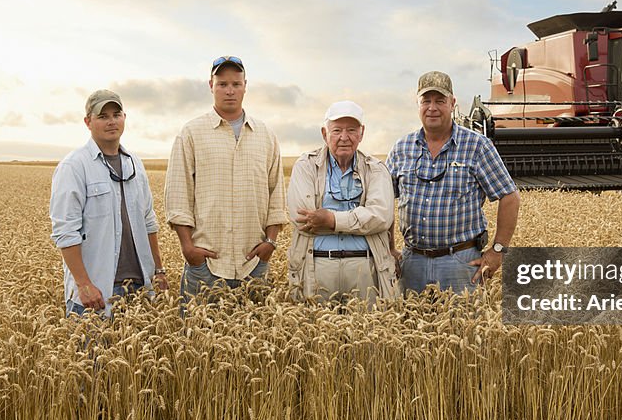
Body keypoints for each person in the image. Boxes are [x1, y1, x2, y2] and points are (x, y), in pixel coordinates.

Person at [165, 56, 287, 300]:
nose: (229, 91)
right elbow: (178, 195)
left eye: (236, 84)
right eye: (222, 84)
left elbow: (277, 195)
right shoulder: (191, 133)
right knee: (197, 336)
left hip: (253, 263)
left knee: (256, 335)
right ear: (211, 86)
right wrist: (189, 250)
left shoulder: (266, 135)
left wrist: (270, 244)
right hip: (206, 264)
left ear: (245, 86)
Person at [387, 71, 520, 293]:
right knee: (408, 325)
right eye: (426, 101)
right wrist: (389, 249)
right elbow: (384, 202)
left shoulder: (477, 146)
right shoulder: (402, 148)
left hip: (461, 261)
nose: (432, 107)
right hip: (412, 262)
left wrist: (497, 250)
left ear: (452, 103)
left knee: (464, 326)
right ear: (418, 104)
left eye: (440, 100)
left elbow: (510, 197)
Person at [50, 89, 168, 317]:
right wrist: (84, 284)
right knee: (92, 353)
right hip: (97, 291)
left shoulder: (135, 163)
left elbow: (148, 221)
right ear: (88, 122)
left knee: (135, 354)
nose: (111, 121)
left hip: (140, 287)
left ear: (124, 118)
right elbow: (65, 232)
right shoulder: (74, 166)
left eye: (116, 114)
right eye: (103, 116)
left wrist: (158, 270)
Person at [286, 100, 399, 304]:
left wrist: (330, 219)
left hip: (366, 268)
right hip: (316, 265)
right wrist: (360, 220)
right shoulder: (306, 165)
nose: (344, 137)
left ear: (361, 133)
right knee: (316, 331)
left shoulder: (376, 169)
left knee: (367, 332)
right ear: (324, 133)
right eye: (337, 130)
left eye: (351, 130)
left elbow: (381, 217)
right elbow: (302, 218)